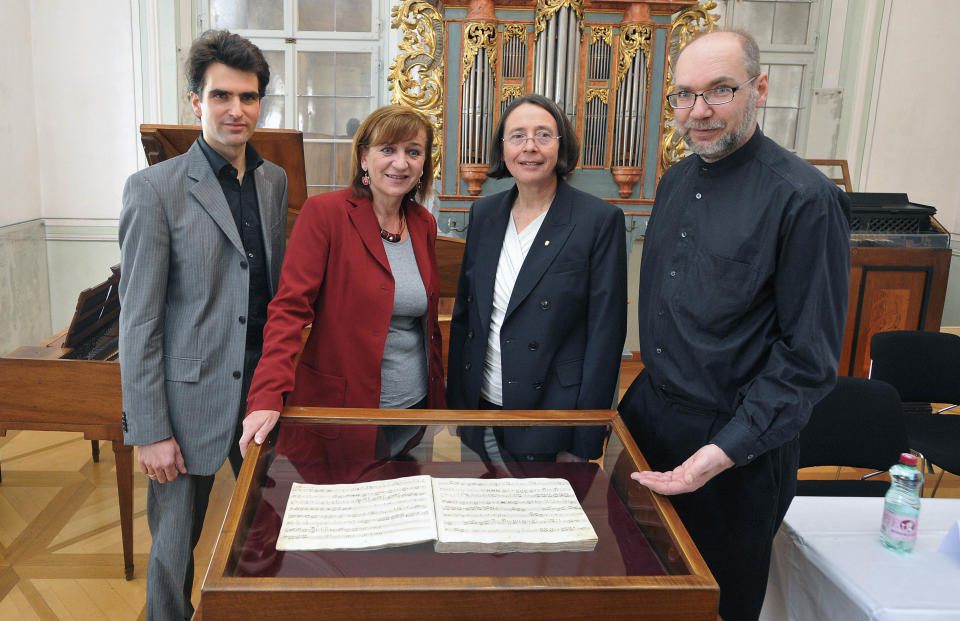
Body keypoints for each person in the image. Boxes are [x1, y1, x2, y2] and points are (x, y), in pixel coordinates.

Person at [618, 30, 850, 621]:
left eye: (718, 91)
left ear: (759, 89)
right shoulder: (674, 181)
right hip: (652, 421)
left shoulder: (805, 198)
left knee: (713, 607)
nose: (697, 112)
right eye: (683, 95)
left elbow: (809, 360)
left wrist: (717, 454)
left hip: (734, 450)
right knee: (636, 590)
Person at [118, 30, 287, 620]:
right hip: (186, 400)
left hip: (261, 396)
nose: (235, 110)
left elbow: (269, 293)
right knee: (172, 549)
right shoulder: (153, 190)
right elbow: (138, 320)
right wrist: (149, 430)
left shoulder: (272, 181)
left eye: (248, 96)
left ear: (261, 101)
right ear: (196, 101)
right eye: (221, 96)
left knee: (264, 529)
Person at [239, 104, 445, 460]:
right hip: (347, 407)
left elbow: (425, 324)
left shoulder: (423, 222)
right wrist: (267, 395)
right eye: (388, 149)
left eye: (413, 152)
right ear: (364, 158)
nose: (401, 162)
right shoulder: (325, 214)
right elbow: (288, 310)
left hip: (414, 405)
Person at [446, 94, 627, 462]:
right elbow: (467, 318)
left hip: (551, 413)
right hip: (481, 404)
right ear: (503, 148)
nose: (530, 147)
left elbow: (605, 337)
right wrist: (456, 406)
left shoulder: (597, 220)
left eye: (543, 135)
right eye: (517, 136)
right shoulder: (484, 214)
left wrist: (586, 438)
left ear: (562, 145)